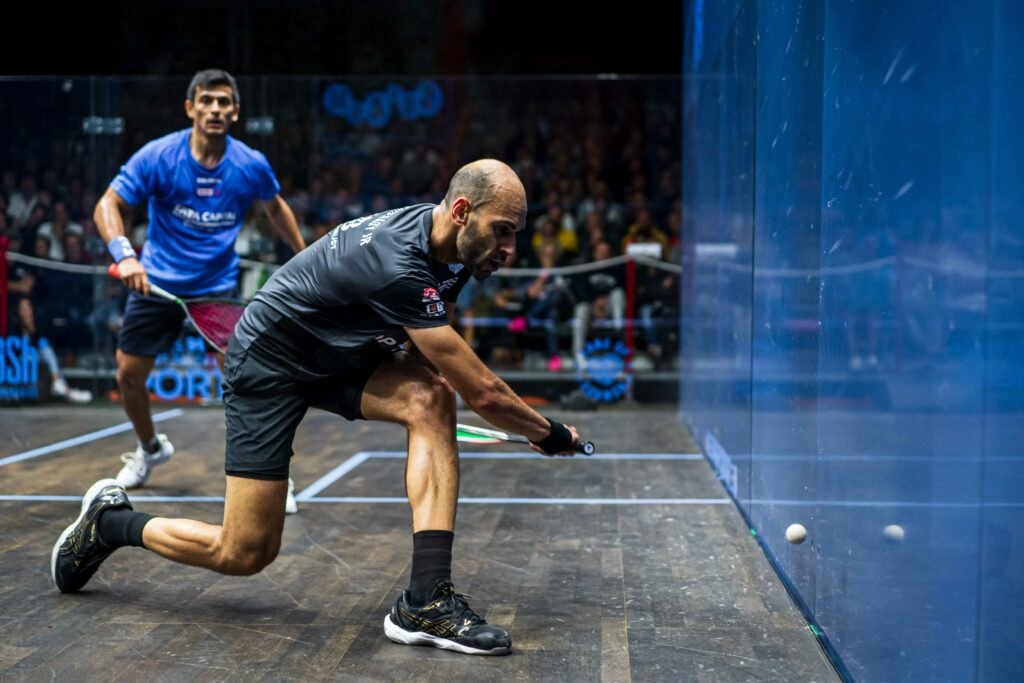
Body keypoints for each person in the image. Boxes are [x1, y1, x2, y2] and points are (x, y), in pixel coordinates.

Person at [53, 159, 585, 657]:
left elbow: (435, 340)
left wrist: (426, 387)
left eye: (515, 231)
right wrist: (547, 431)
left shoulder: (456, 251)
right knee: (245, 552)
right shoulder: (398, 260)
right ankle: (110, 524)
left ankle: (425, 601)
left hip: (339, 355)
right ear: (463, 211)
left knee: (430, 398)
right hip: (268, 365)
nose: (511, 246)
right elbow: (486, 394)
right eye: (504, 230)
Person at [92, 69, 306, 490]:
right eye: (206, 101)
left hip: (216, 289)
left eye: (224, 102)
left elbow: (276, 208)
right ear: (190, 107)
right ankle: (150, 449)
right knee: (128, 376)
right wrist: (126, 257)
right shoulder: (158, 156)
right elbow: (108, 204)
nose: (215, 109)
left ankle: (269, 477)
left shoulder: (249, 165)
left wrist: (305, 258)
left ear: (235, 112)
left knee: (245, 383)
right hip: (156, 283)